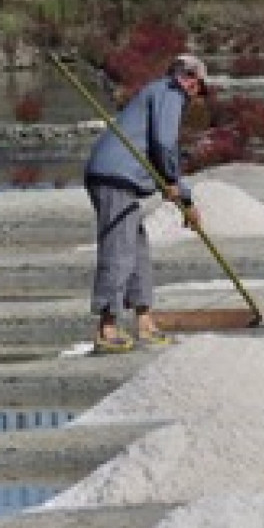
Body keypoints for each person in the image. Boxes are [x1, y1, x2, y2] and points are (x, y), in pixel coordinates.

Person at [84, 54, 207, 353]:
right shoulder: (169, 93)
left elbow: (157, 148)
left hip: (120, 177)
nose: (196, 96)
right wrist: (178, 188)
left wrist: (177, 188)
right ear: (190, 80)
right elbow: (164, 144)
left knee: (137, 250)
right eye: (199, 88)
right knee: (120, 249)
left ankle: (145, 322)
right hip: (115, 176)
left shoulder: (160, 92)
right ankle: (107, 327)